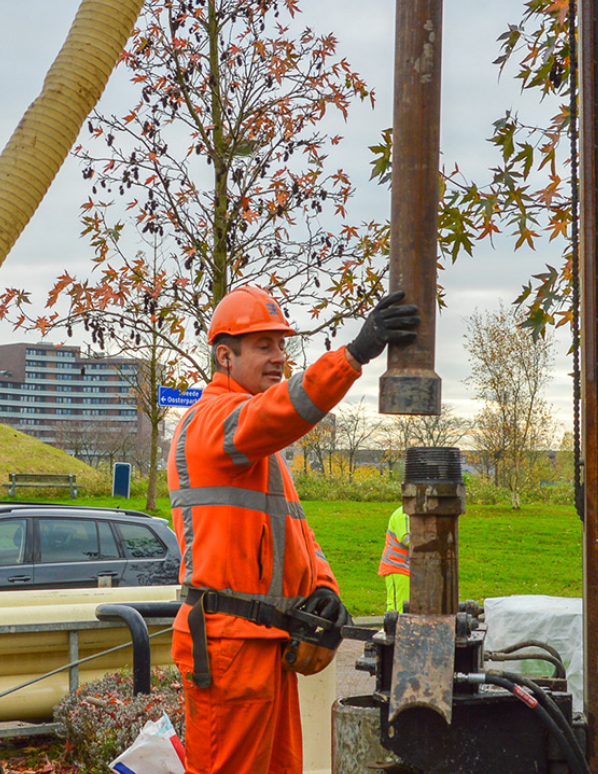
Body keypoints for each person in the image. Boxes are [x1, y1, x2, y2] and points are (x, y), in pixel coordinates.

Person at [168, 286, 419, 774]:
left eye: (282, 346)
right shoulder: (213, 423)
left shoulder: (261, 452)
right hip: (230, 648)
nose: (279, 358)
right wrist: (353, 355)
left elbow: (298, 534)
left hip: (268, 646)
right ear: (225, 355)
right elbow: (280, 410)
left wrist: (324, 589)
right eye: (264, 346)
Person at [379, 505, 410, 613]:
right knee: (398, 608)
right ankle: (395, 629)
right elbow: (405, 539)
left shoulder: (412, 514)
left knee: (406, 606)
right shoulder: (403, 514)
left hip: (406, 567)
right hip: (397, 566)